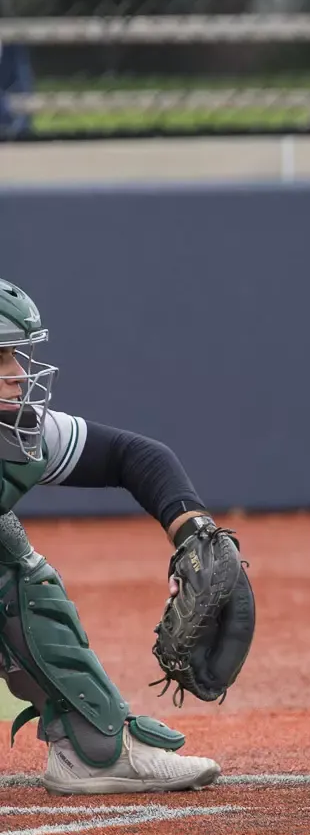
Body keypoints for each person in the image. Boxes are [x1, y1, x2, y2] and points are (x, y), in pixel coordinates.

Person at [0, 278, 247, 795]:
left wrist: (194, 532)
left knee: (9, 555)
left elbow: (136, 456)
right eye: (1, 357)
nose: (19, 375)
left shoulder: (17, 434)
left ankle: (92, 745)